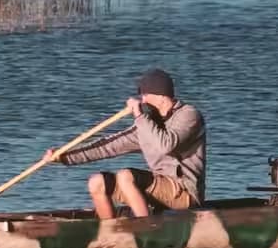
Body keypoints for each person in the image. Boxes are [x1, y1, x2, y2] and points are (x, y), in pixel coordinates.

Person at [61, 70, 207, 224]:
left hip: (184, 193)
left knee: (126, 176)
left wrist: (139, 115)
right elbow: (109, 146)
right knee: (97, 182)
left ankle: (145, 231)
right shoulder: (147, 123)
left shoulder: (189, 115)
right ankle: (110, 234)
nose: (142, 100)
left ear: (160, 96)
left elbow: (166, 145)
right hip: (158, 190)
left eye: (144, 95)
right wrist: (64, 157)